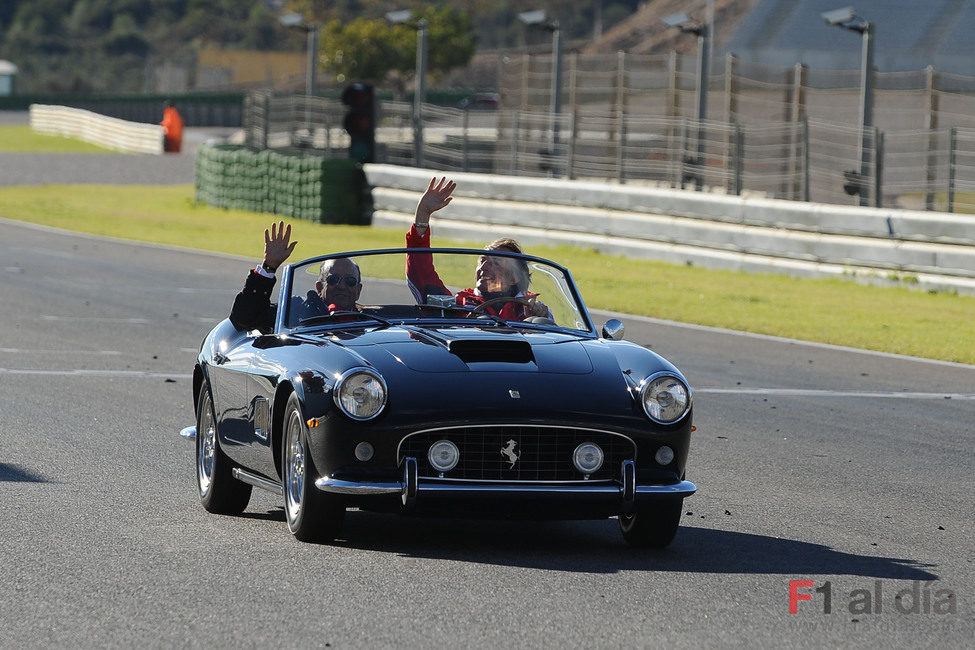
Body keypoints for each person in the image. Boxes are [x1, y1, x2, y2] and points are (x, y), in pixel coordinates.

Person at [405, 177, 550, 321]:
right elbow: (421, 274)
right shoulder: (458, 305)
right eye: (482, 261)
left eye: (496, 263)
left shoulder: (532, 309)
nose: (484, 267)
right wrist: (422, 216)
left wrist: (538, 321)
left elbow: (555, 341)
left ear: (514, 277)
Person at [230, 221, 362, 333]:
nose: (342, 286)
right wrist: (269, 266)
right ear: (319, 287)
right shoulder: (295, 310)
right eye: (333, 279)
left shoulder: (374, 319)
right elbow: (244, 320)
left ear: (358, 290)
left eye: (350, 281)